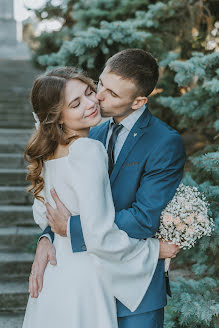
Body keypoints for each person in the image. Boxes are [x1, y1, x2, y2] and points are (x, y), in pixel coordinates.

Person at [29, 49, 186, 328]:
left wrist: (73, 229)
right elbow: (65, 199)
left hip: (132, 294)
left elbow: (143, 218)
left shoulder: (164, 142)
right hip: (82, 281)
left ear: (138, 101)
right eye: (100, 84)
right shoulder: (90, 131)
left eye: (113, 94)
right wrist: (47, 237)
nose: (99, 97)